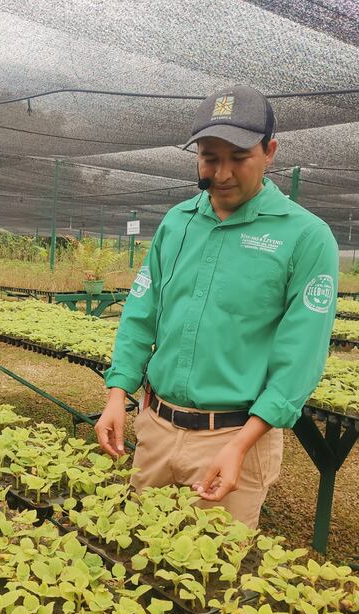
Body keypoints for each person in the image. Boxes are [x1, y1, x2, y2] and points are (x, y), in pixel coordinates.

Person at [94, 84, 338, 529]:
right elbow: (141, 313)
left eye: (239, 158)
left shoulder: (305, 236)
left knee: (209, 567)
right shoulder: (177, 222)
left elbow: (300, 355)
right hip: (156, 428)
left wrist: (241, 446)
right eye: (209, 158)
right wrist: (116, 395)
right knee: (139, 555)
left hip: (233, 437)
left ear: (270, 153)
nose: (222, 174)